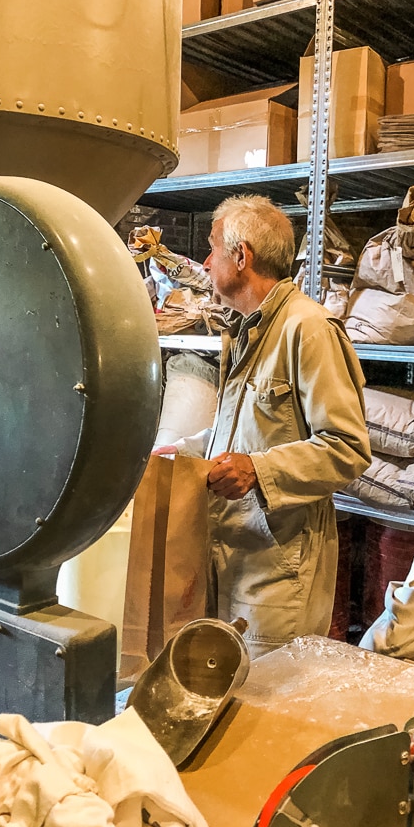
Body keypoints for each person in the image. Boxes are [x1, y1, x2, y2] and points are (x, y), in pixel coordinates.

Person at [155, 194, 371, 658]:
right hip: (233, 551)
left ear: (242, 256)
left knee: (264, 700)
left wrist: (257, 470)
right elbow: (243, 430)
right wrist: (185, 452)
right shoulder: (246, 329)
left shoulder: (307, 330)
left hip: (278, 570)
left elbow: (348, 447)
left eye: (213, 249)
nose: (208, 262)